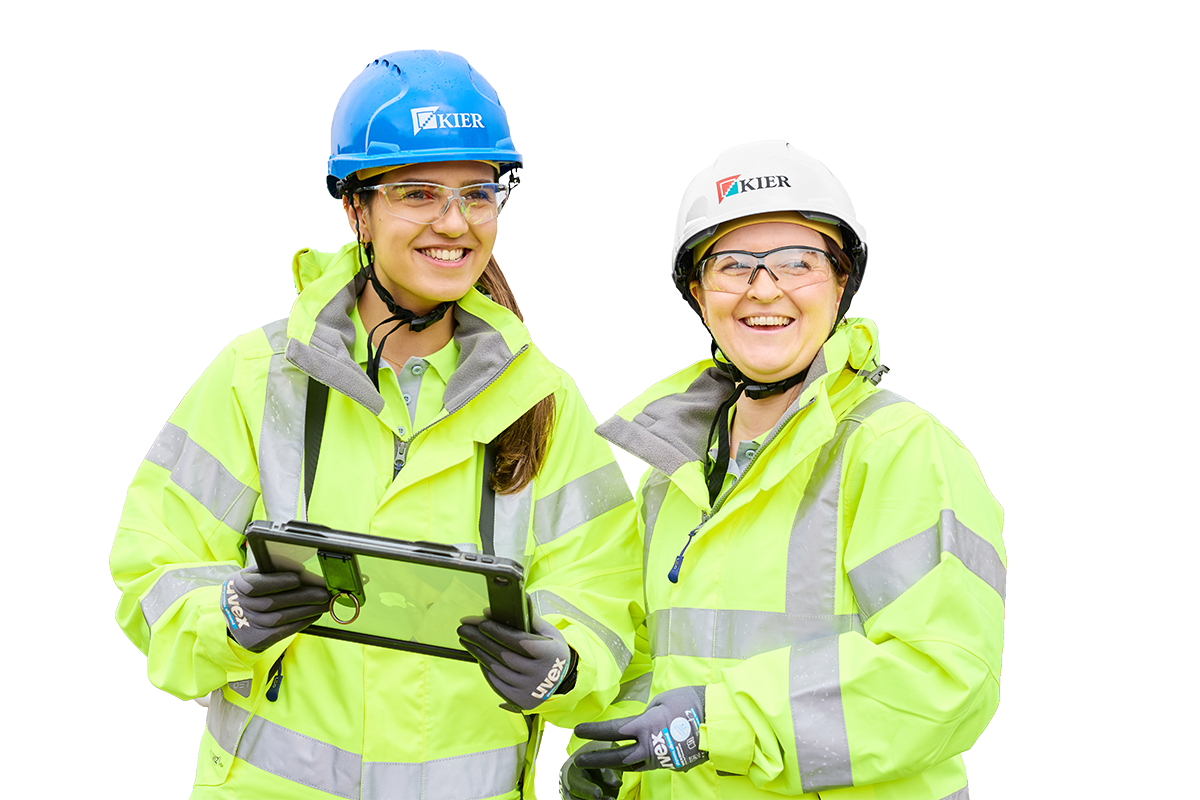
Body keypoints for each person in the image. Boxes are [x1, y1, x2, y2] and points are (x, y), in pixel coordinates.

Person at [109, 50, 641, 800]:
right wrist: (222, 616)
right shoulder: (259, 380)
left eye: (478, 193)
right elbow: (151, 565)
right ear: (356, 208)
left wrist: (565, 663)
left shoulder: (542, 401)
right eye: (418, 192)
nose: (454, 223)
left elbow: (604, 596)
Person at [560, 139, 1007, 799]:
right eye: (733, 264)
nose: (763, 288)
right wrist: (615, 755)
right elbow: (660, 663)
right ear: (697, 292)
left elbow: (943, 680)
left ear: (841, 283)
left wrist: (716, 724)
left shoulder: (903, 451)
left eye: (798, 262)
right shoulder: (671, 471)